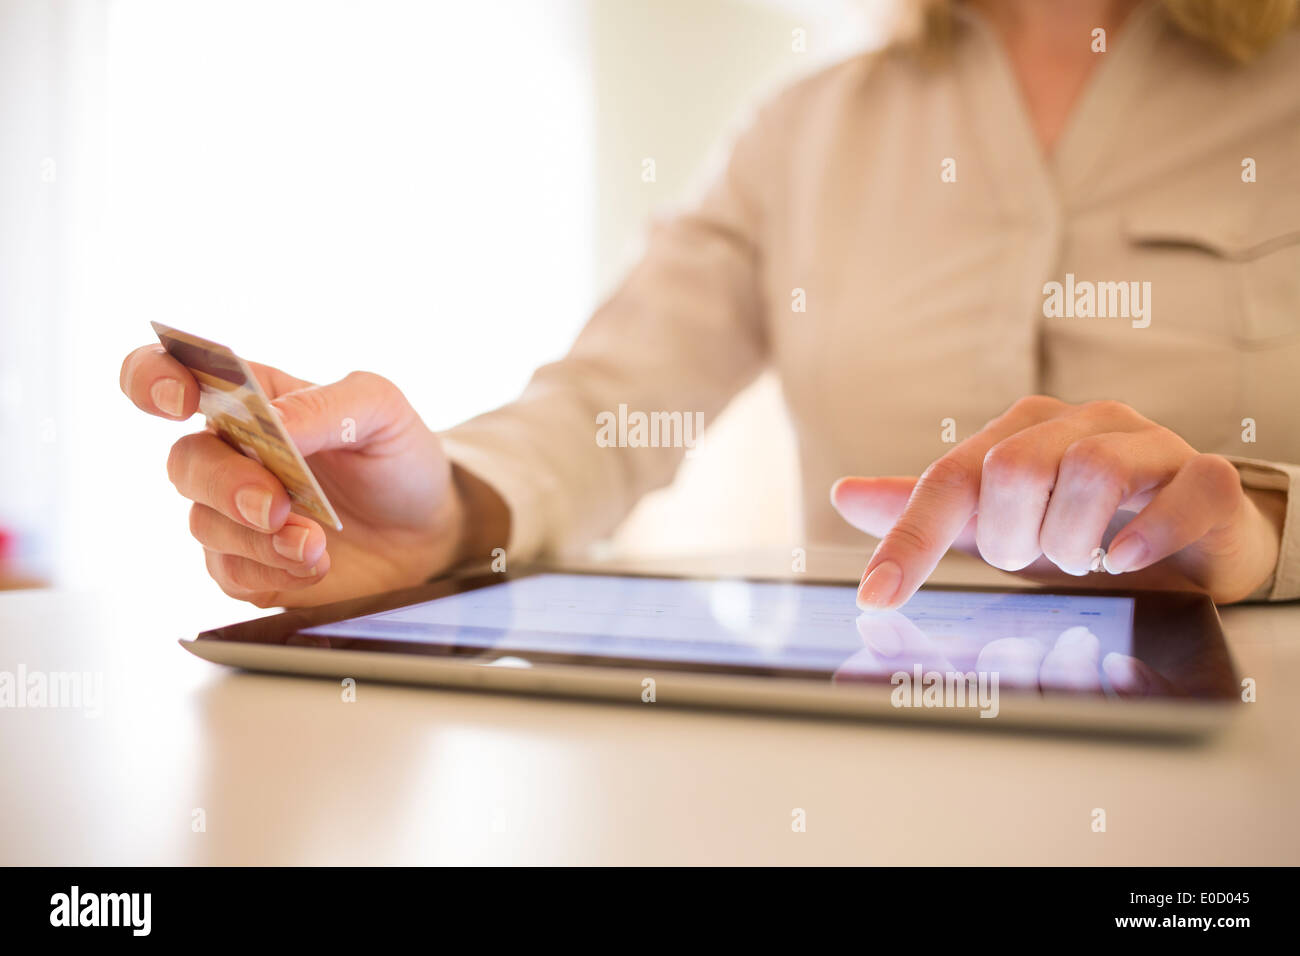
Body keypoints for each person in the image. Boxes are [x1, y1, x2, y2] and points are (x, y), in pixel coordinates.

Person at [119, 0, 1300, 610]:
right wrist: (438, 515)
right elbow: (606, 407)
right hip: (873, 771)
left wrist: (1261, 535)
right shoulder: (806, 130)